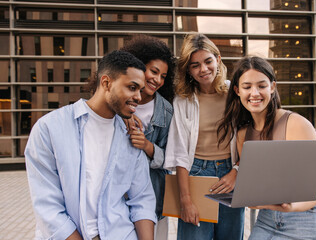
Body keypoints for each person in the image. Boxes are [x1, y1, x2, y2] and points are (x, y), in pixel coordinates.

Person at [25, 50, 157, 240]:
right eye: (132, 87)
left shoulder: (131, 135)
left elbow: (142, 199)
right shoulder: (50, 128)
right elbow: (47, 207)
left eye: (140, 90)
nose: (138, 96)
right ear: (106, 83)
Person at [218, 56, 316, 240]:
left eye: (262, 86)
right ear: (237, 90)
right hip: (267, 219)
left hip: (307, 218)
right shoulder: (242, 135)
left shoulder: (296, 124)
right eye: (247, 87)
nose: (254, 93)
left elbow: (312, 194)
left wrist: (290, 206)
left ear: (272, 87)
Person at [164, 33, 245, 240]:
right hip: (196, 173)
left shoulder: (234, 93)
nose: (203, 69)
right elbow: (180, 152)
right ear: (188, 70)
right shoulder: (183, 101)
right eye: (195, 65)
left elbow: (251, 136)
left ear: (218, 59)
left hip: (230, 174)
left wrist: (237, 171)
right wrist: (185, 200)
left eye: (208, 61)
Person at [121, 35, 175, 240]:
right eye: (153, 71)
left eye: (163, 76)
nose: (157, 80)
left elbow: (171, 158)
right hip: (117, 198)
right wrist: (123, 113)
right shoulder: (117, 103)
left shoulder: (166, 111)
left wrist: (147, 145)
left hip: (152, 198)